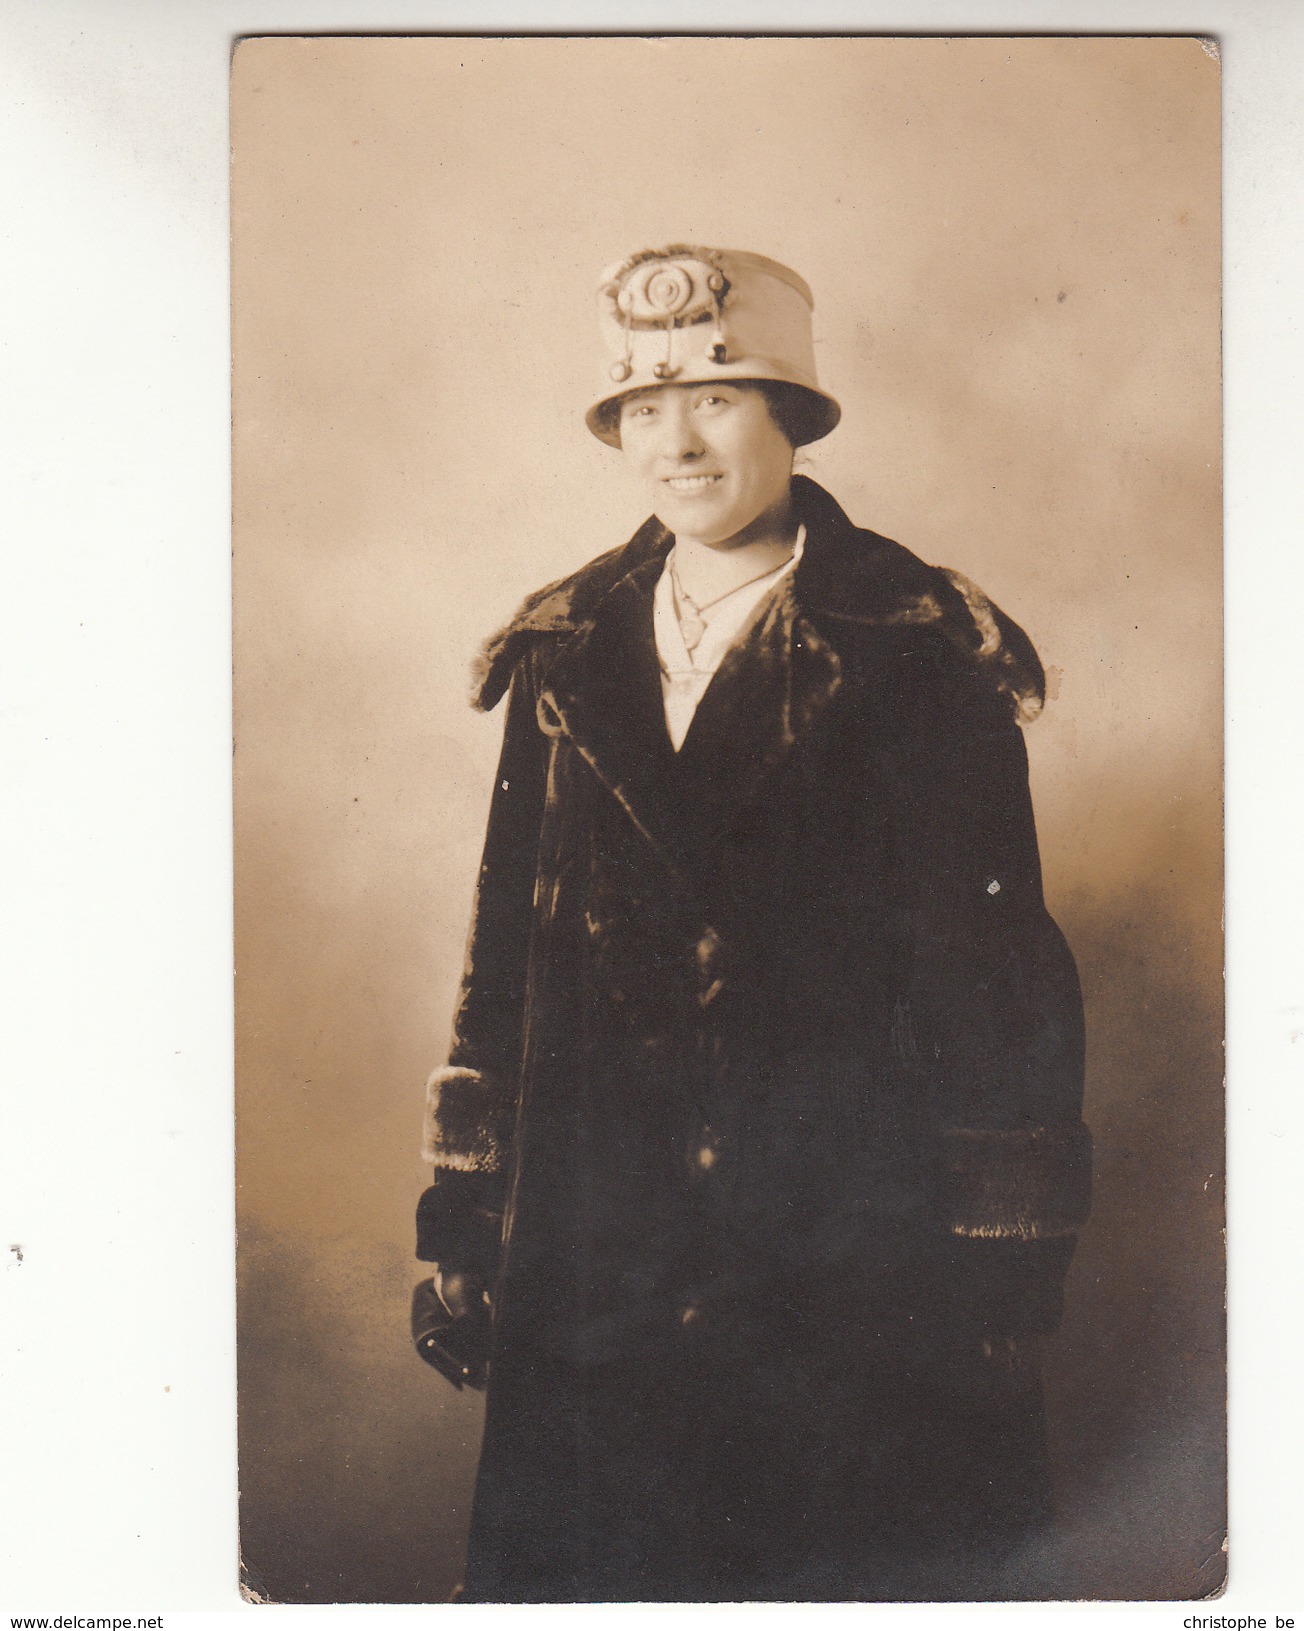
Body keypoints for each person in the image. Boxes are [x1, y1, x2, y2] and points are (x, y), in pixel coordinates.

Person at [413, 245, 1091, 1603]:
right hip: (596, 1250)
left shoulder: (911, 647)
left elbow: (997, 979)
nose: (679, 441)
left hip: (840, 1245)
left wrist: (998, 1274)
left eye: (720, 399)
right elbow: (502, 961)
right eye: (643, 411)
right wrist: (469, 1220)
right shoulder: (564, 648)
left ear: (792, 418)